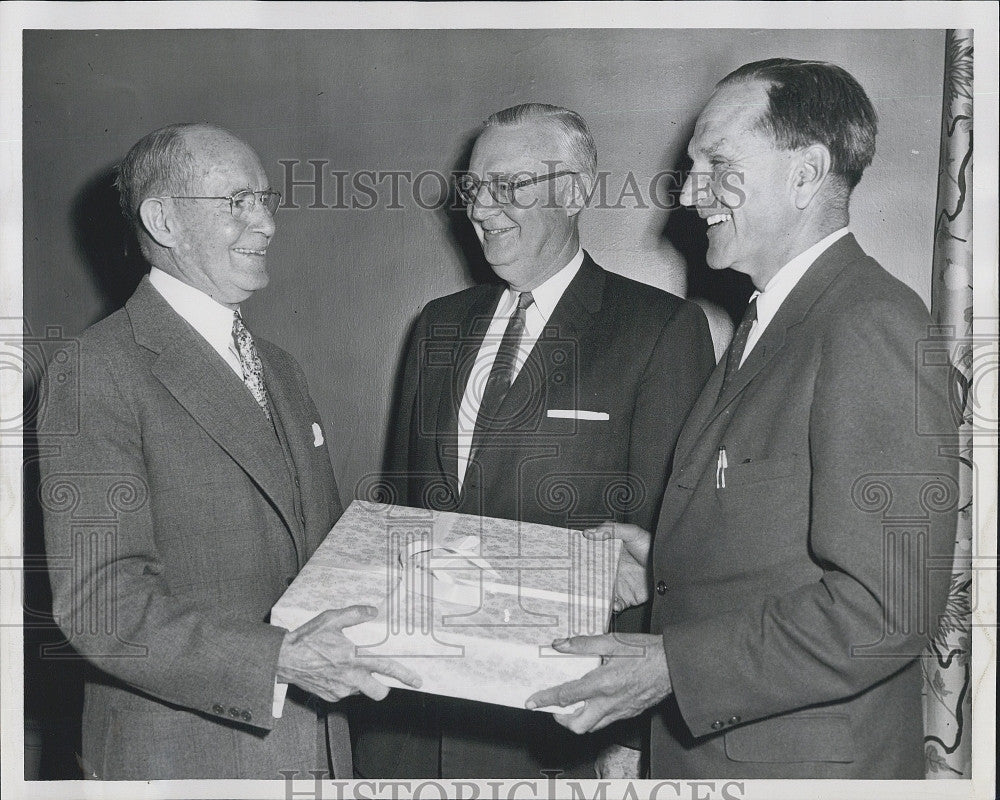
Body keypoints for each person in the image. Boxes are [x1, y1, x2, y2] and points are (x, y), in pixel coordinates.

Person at [526, 59, 958, 779]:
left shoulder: (868, 322)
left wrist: (673, 665)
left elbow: (887, 611)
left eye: (717, 164)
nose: (690, 193)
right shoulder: (770, 320)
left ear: (806, 172)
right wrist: (661, 556)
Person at [39, 123, 420, 780]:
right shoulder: (94, 370)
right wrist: (278, 661)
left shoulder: (281, 369)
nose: (266, 223)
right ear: (162, 219)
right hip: (189, 760)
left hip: (318, 750)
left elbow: (324, 559)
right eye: (237, 202)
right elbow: (103, 603)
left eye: (267, 200)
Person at [352, 103, 715, 779]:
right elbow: (400, 516)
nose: (482, 209)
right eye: (473, 189)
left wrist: (632, 736)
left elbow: (673, 552)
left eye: (508, 187)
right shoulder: (437, 327)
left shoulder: (658, 330)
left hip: (561, 726)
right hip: (416, 716)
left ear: (575, 191)